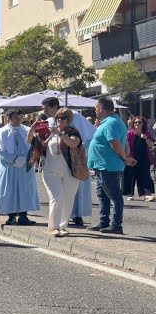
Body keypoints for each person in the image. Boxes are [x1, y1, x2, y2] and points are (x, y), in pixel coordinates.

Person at [43, 96, 95, 226]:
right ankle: (58, 221)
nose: (44, 111)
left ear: (54, 106)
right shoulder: (49, 121)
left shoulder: (75, 116)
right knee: (58, 194)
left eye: (46, 108)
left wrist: (84, 154)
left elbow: (89, 135)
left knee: (74, 191)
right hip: (55, 163)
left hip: (73, 160)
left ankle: (77, 215)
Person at [87, 96, 135, 234]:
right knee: (103, 194)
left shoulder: (110, 123)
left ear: (101, 109)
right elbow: (124, 142)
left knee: (114, 195)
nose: (95, 111)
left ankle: (116, 224)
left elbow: (115, 143)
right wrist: (126, 157)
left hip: (107, 165)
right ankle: (103, 221)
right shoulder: (114, 121)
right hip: (103, 165)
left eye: (96, 108)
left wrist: (125, 157)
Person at [0, 112, 39, 226]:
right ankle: (11, 216)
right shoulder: (1, 132)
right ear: (8, 118)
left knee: (25, 190)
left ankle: (23, 216)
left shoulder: (27, 130)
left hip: (24, 165)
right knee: (9, 190)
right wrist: (14, 159)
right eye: (15, 118)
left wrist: (26, 158)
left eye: (20, 118)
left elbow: (33, 145)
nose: (18, 120)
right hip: (8, 166)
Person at [42, 108, 84, 237]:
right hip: (50, 170)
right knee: (57, 196)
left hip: (70, 170)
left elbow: (73, 143)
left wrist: (60, 134)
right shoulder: (49, 132)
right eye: (57, 118)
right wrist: (33, 131)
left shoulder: (72, 131)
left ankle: (63, 226)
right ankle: (54, 227)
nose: (59, 120)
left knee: (68, 198)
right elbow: (38, 145)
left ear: (68, 120)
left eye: (63, 118)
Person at [124, 116, 154, 201]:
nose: (137, 124)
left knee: (145, 176)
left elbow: (151, 146)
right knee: (130, 175)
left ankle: (146, 194)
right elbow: (126, 145)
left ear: (143, 124)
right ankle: (130, 194)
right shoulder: (130, 133)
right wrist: (127, 157)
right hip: (132, 157)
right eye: (135, 122)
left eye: (139, 122)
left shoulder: (147, 133)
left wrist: (146, 138)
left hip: (144, 158)